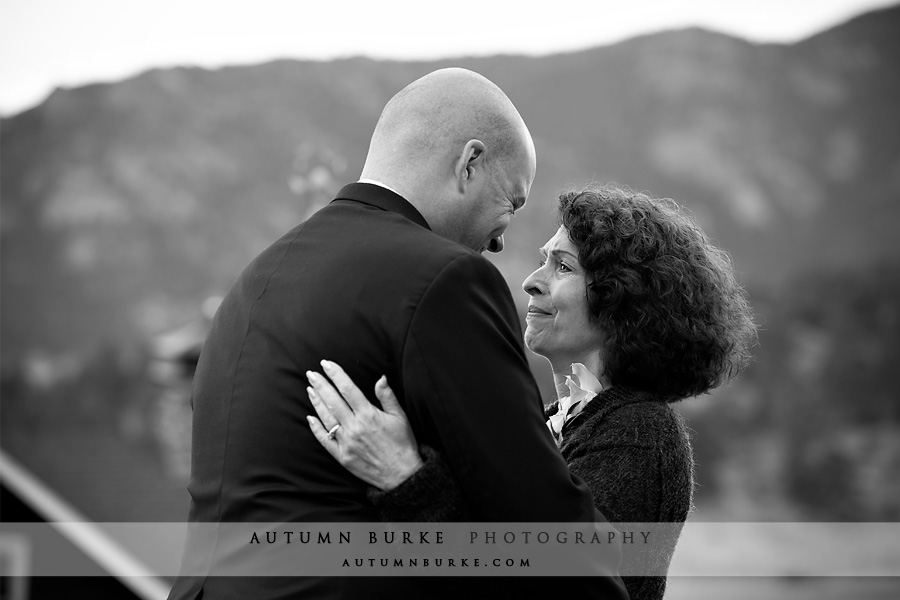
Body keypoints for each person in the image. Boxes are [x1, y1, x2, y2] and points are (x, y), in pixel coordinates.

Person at [167, 69, 627, 600]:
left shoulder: (256, 281)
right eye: (513, 202)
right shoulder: (444, 280)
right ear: (470, 163)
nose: (501, 244)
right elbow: (541, 526)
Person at [305, 183, 758, 600]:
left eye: (562, 266)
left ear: (622, 300)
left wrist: (404, 477)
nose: (531, 281)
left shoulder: (640, 433)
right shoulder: (561, 421)